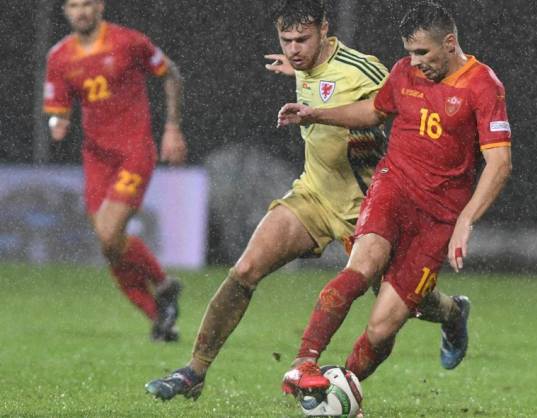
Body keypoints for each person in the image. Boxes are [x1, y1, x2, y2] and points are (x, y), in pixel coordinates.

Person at [144, 0, 470, 401]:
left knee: (405, 304)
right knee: (245, 269)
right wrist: (297, 71)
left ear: (325, 30)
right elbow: (316, 77)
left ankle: (453, 311)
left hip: (367, 205)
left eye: (303, 39)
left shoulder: (362, 69)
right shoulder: (302, 65)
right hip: (313, 195)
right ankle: (194, 372)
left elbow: (406, 101)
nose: (294, 49)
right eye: (286, 40)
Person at [279, 0, 512, 396]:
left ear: (449, 43)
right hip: (393, 188)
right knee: (361, 267)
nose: (414, 61)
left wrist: (465, 220)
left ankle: (341, 389)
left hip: (439, 216)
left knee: (383, 325)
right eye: (409, 52)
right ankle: (305, 364)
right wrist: (315, 114)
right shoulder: (404, 72)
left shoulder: (483, 85)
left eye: (422, 52)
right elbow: (374, 111)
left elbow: (500, 163)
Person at [43, 0, 186, 341]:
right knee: (110, 247)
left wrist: (172, 127)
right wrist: (58, 123)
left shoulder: (128, 41)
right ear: (65, 11)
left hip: (134, 150)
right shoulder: (59, 56)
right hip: (96, 157)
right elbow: (58, 109)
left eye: (86, 4)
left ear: (100, 6)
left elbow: (171, 73)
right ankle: (160, 317)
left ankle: (163, 284)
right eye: (73, 5)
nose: (81, 11)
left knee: (109, 234)